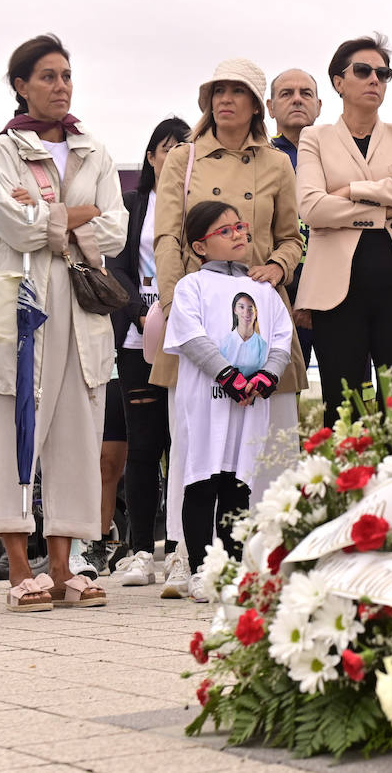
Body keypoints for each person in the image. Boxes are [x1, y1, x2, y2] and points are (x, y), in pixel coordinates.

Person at [0, 34, 126, 612]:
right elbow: (16, 226)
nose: (61, 86)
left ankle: (64, 565)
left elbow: (116, 230)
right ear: (21, 86)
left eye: (67, 75)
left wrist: (53, 218)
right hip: (13, 302)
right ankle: (19, 568)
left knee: (78, 430)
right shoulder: (2, 150)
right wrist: (75, 219)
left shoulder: (95, 152)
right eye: (48, 76)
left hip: (78, 307)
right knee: (7, 428)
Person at [154, 59, 305, 599]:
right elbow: (167, 236)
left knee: (264, 445)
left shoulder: (277, 164)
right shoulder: (182, 159)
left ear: (255, 103)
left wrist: (280, 268)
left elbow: (292, 237)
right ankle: (184, 555)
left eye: (237, 92)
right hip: (197, 310)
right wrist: (174, 300)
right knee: (193, 441)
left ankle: (262, 555)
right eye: (217, 90)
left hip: (260, 309)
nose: (225, 100)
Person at [296, 34, 392, 428]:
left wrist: (352, 191)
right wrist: (385, 207)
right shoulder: (315, 137)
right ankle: (345, 489)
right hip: (337, 292)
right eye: (363, 71)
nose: (374, 80)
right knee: (341, 407)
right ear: (338, 82)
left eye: (383, 73)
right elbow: (312, 206)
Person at [163, 201, 292, 602]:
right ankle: (203, 568)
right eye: (226, 231)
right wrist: (228, 376)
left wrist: (267, 375)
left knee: (239, 484)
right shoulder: (191, 286)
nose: (238, 234)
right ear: (200, 247)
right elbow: (191, 337)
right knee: (202, 481)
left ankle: (233, 568)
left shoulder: (263, 289)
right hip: (209, 402)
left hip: (250, 403)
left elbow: (280, 337)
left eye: (240, 226)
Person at [108, 117, 189, 587]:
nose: (173, 154)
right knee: (143, 445)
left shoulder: (198, 203)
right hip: (141, 336)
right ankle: (141, 550)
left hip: (189, 336)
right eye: (166, 147)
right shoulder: (133, 205)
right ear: (151, 156)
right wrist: (142, 311)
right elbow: (115, 266)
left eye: (183, 146)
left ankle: (183, 545)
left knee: (186, 444)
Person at [266, 69, 322, 366]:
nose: (297, 100)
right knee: (283, 396)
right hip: (280, 288)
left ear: (320, 105)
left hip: (334, 289)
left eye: (306, 93)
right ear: (270, 107)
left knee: (350, 395)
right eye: (287, 94)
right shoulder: (261, 155)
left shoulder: (341, 151)